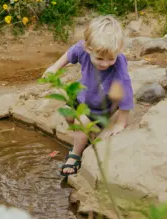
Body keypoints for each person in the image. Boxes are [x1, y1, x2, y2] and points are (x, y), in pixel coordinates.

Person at [43, 15, 134, 176]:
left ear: (118, 52)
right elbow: (69, 54)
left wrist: (121, 122)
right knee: (68, 115)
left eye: (110, 59)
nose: (105, 63)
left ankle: (76, 154)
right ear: (88, 48)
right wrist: (54, 67)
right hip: (83, 95)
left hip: (100, 104)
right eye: (99, 58)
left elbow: (126, 91)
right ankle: (85, 135)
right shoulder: (81, 49)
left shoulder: (119, 64)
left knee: (82, 121)